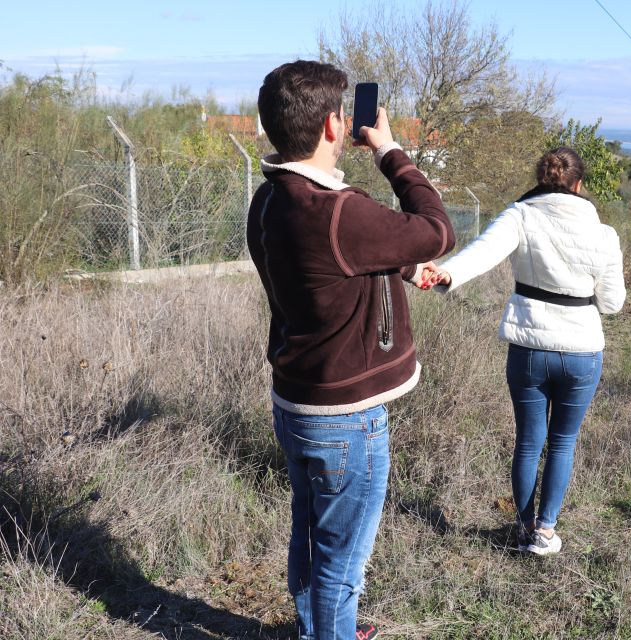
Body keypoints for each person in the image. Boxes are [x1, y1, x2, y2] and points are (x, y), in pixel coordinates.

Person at [247, 60, 455, 640]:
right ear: (335, 126)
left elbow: (323, 270)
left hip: (296, 403)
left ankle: (315, 629)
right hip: (347, 421)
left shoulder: (270, 202)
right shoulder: (340, 211)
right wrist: (390, 151)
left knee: (309, 537)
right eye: (343, 114)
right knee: (341, 566)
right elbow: (439, 227)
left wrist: (402, 266)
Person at [422, 147, 625, 555]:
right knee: (563, 442)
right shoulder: (604, 234)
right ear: (579, 185)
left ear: (541, 179)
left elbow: (482, 251)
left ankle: (523, 527)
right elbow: (612, 304)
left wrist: (447, 273)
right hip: (582, 351)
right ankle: (546, 533)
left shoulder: (521, 214)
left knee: (529, 443)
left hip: (529, 347)